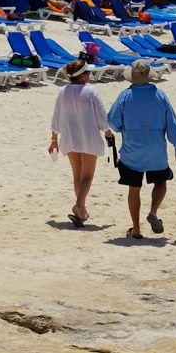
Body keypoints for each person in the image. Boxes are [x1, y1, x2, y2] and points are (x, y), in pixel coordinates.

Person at [107, 60, 176, 239]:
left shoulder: (125, 96)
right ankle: (153, 212)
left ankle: (136, 229)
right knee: (161, 182)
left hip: (132, 151)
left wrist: (122, 128)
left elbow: (112, 121)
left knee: (134, 189)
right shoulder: (160, 95)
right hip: (156, 150)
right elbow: (172, 124)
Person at [50, 58, 113, 228]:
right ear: (83, 77)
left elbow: (56, 117)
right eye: (88, 72)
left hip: (70, 137)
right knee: (87, 176)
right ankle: (78, 206)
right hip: (89, 137)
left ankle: (82, 212)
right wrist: (108, 131)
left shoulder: (62, 91)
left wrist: (54, 139)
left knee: (77, 176)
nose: (90, 75)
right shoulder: (91, 92)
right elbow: (102, 117)